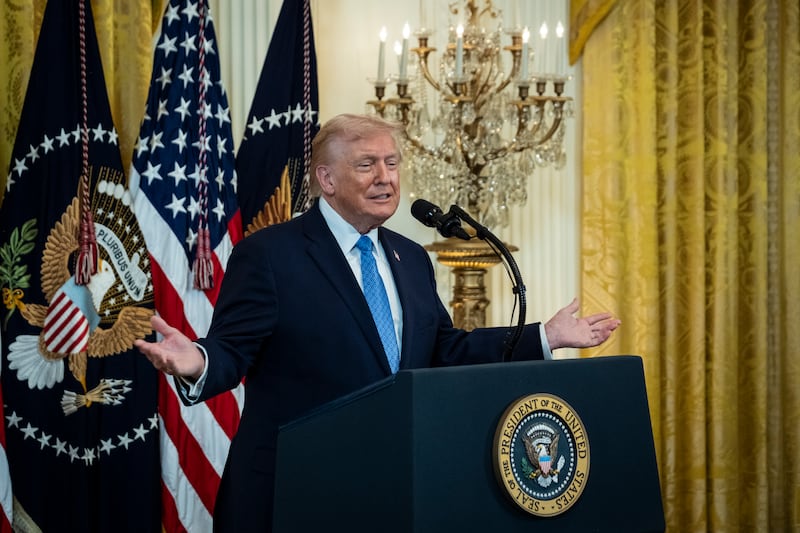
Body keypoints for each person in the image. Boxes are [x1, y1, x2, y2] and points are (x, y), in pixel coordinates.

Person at [134, 113, 620, 532]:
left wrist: (545, 336)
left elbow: (443, 351)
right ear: (326, 179)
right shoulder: (270, 254)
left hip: (390, 489)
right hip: (293, 491)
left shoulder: (410, 257)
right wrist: (196, 359)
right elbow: (232, 351)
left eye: (391, 163)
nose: (385, 177)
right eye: (366, 165)